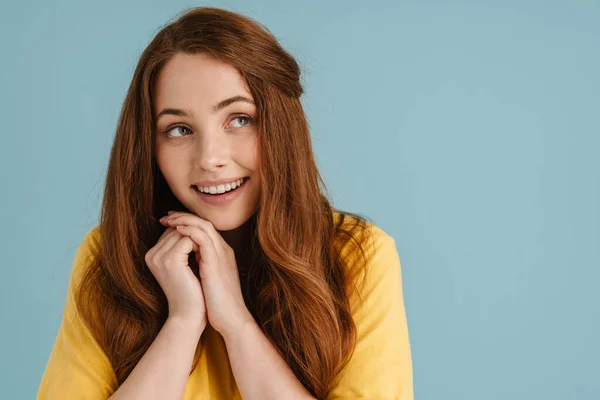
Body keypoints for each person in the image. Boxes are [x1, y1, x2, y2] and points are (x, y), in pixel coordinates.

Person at [36, 6, 413, 400]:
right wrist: (183, 323)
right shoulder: (109, 255)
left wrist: (234, 321)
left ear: (280, 125)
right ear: (149, 147)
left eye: (239, 119)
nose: (210, 158)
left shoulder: (358, 256)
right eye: (179, 129)